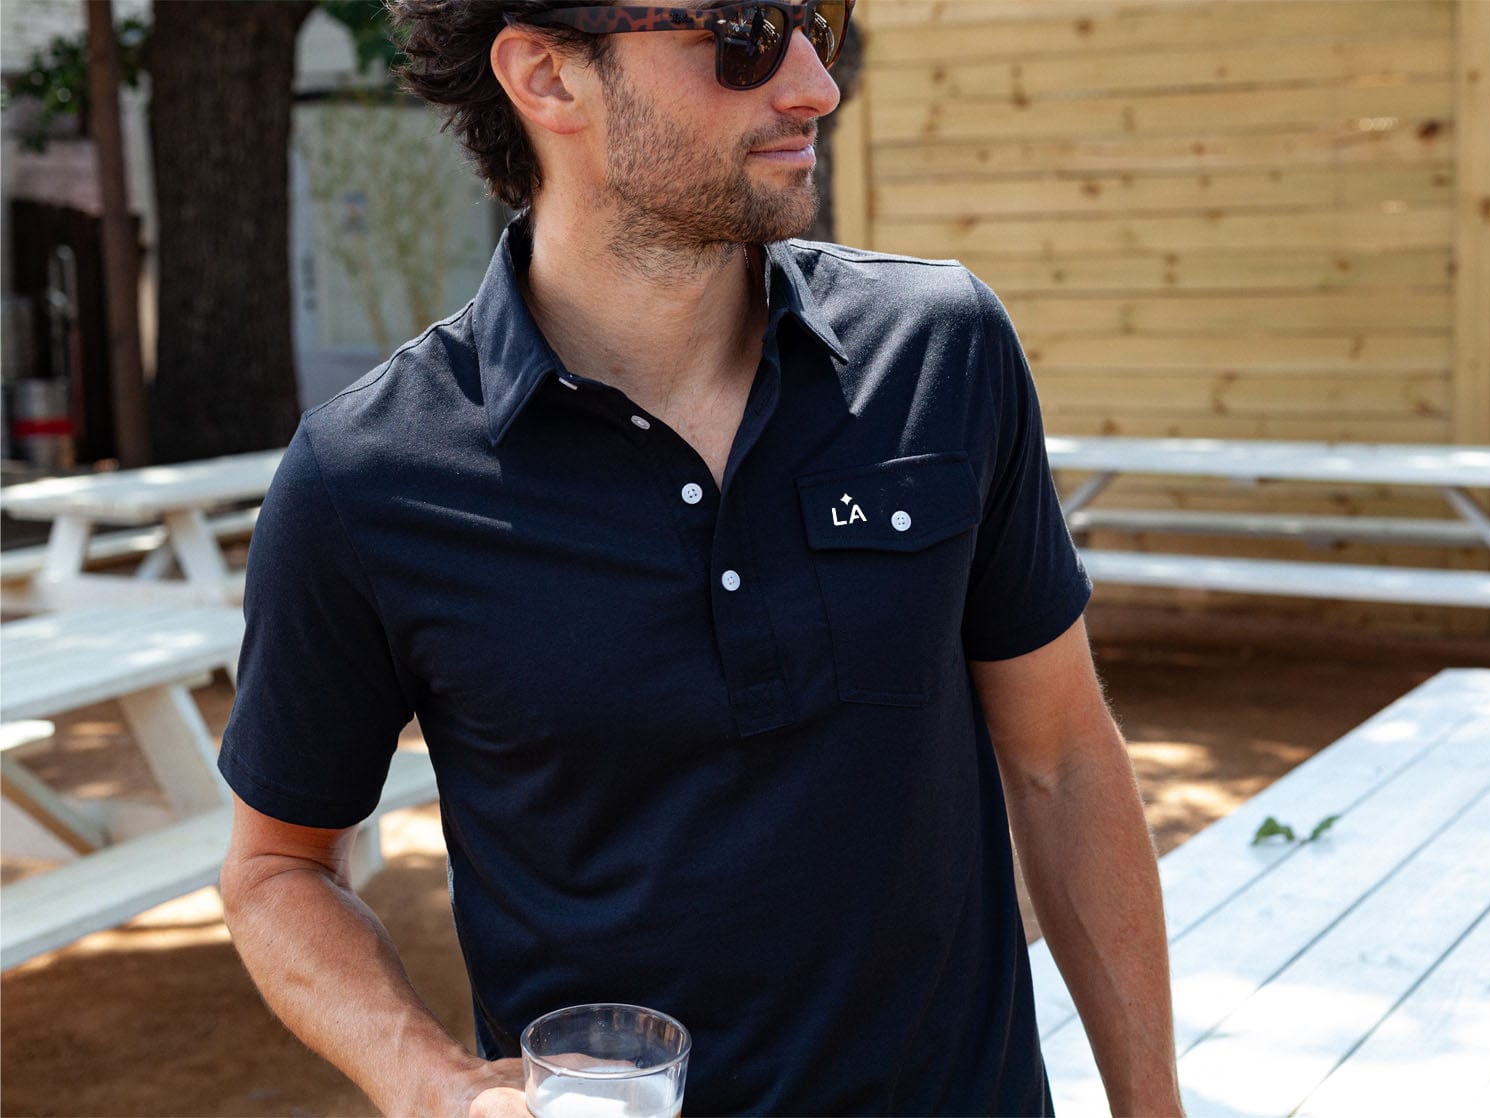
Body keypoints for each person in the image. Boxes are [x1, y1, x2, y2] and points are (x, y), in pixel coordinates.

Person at [217, 2, 1183, 1115]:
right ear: (548, 76)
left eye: (818, 20)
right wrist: (431, 1083)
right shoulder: (366, 478)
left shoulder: (942, 353)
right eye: (743, 30)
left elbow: (1064, 762)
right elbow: (276, 867)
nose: (816, 83)